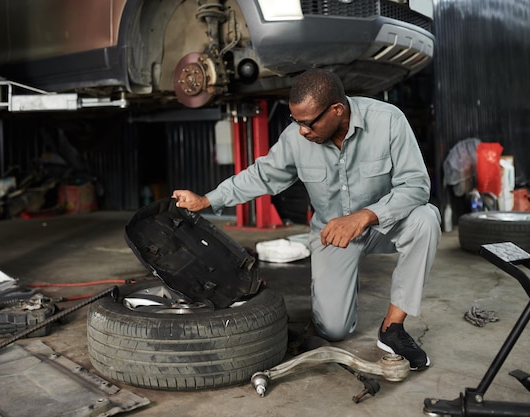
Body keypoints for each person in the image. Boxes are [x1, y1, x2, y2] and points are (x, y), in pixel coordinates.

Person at [172, 69, 441, 370]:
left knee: (426, 218)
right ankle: (338, 295)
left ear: (337, 110)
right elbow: (261, 176)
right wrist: (208, 200)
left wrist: (364, 216)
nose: (301, 130)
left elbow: (416, 186)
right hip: (332, 234)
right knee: (334, 331)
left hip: (382, 225)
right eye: (295, 121)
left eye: (307, 123)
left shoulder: (388, 121)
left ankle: (393, 329)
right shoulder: (296, 138)